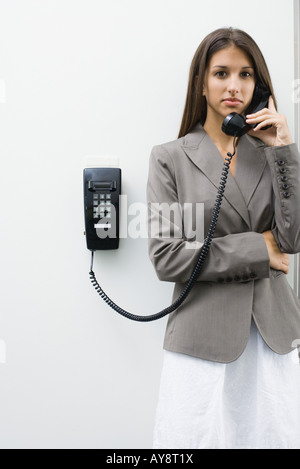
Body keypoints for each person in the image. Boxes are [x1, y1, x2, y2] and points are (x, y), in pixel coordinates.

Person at [147, 27, 300, 450]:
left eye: (246, 75)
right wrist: (258, 248)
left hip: (272, 335)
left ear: (259, 86)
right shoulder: (169, 157)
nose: (234, 86)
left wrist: (284, 150)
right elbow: (166, 257)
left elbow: (292, 238)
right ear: (202, 83)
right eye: (221, 73)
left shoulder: (271, 153)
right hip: (201, 336)